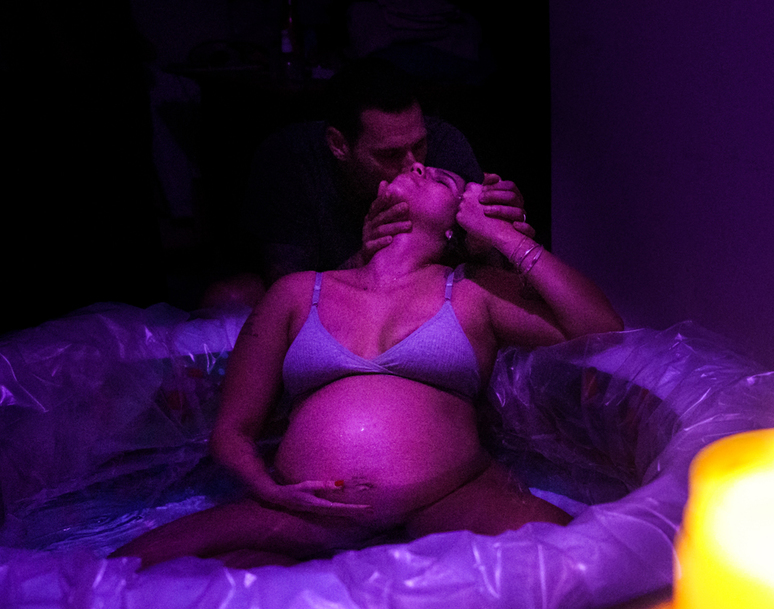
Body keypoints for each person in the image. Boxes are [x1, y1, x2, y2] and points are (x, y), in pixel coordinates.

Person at [113, 163, 622, 569]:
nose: (417, 166)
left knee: (595, 562)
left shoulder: (472, 290)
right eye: (413, 168)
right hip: (308, 510)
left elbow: (600, 327)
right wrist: (271, 490)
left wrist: (501, 235)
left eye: (442, 178)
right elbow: (232, 431)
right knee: (127, 570)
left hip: (451, 497)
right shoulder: (298, 292)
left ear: (455, 225)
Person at [241, 55, 531, 285]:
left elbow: (494, 273)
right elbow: (287, 292)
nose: (414, 164)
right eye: (390, 154)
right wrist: (362, 263)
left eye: (419, 146)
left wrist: (501, 236)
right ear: (339, 145)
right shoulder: (293, 160)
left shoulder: (444, 144)